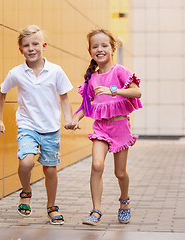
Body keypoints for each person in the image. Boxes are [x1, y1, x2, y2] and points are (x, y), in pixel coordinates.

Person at [0, 25, 74, 225]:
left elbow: (64, 97)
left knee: (50, 170)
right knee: (26, 162)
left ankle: (51, 207)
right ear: (21, 49)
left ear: (44, 46)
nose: (31, 48)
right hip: (28, 126)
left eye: (35, 44)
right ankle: (26, 191)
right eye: (26, 45)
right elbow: (1, 92)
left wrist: (69, 119)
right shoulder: (16, 73)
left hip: (51, 128)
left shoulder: (56, 71)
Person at [65, 29, 142, 225]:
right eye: (95, 46)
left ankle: (124, 201)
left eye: (104, 45)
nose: (100, 49)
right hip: (101, 128)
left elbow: (137, 92)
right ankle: (96, 210)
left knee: (120, 173)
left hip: (120, 127)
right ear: (90, 51)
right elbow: (87, 106)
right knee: (97, 165)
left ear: (113, 49)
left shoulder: (120, 71)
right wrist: (75, 119)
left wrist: (113, 90)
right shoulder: (92, 78)